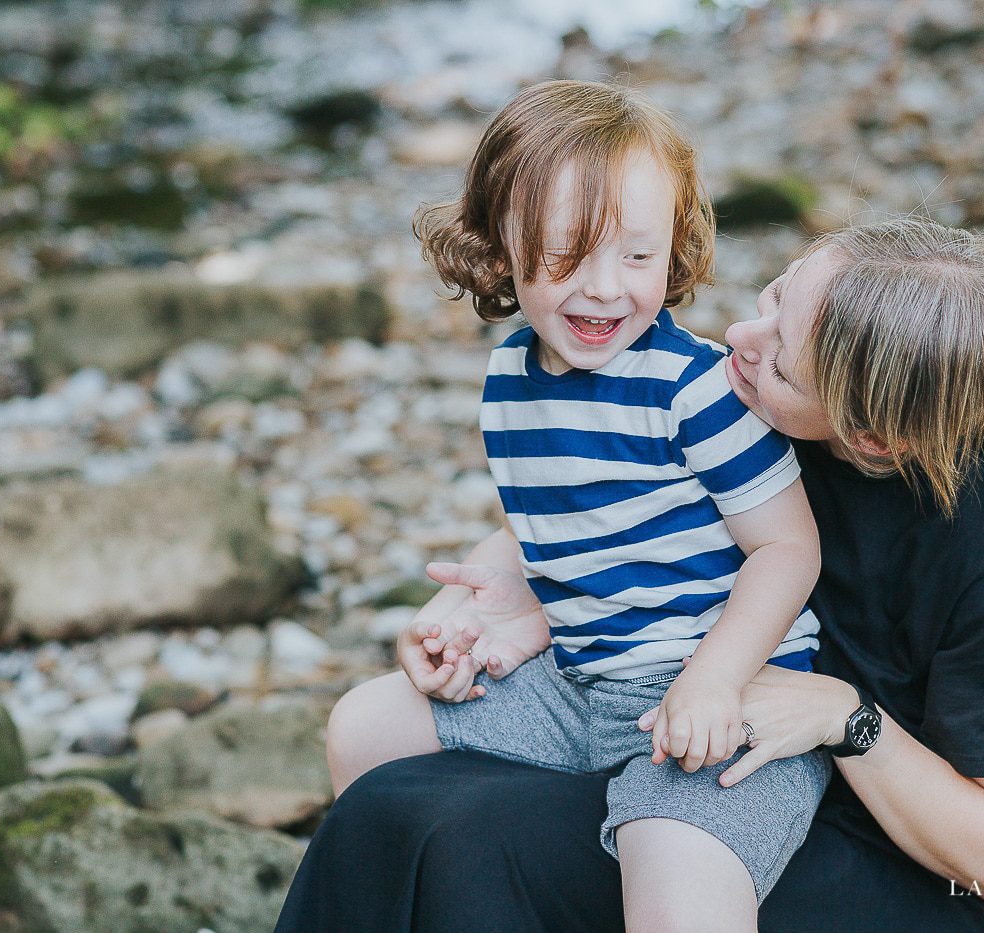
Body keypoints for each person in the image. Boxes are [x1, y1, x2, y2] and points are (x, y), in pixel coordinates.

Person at [275, 218, 984, 932]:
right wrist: (480, 599)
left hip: (883, 863)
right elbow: (615, 505)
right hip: (680, 730)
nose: (740, 334)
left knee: (465, 835)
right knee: (390, 783)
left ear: (873, 435)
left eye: (779, 359)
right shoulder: (754, 406)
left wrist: (848, 719)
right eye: (771, 299)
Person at [316, 80, 829, 930]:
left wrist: (713, 681)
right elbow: (574, 538)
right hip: (578, 686)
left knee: (682, 883)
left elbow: (789, 551)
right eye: (563, 254)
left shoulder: (694, 388)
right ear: (497, 243)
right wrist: (487, 625)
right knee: (366, 725)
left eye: (637, 256)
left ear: (676, 246)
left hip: (724, 694)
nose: (602, 289)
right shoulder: (509, 381)